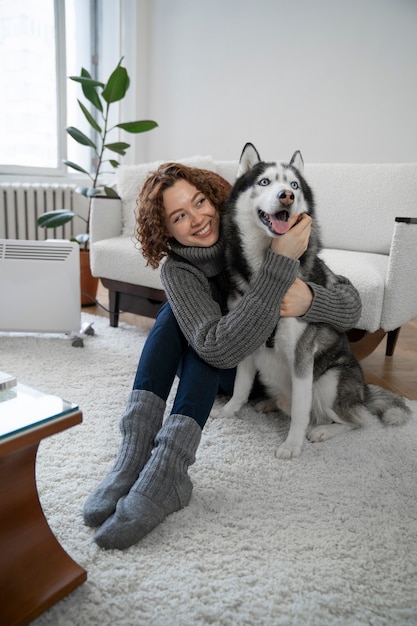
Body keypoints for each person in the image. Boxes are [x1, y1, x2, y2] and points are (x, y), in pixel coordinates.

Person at [84, 163, 361, 550]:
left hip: (256, 371)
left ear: (215, 199)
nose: (197, 219)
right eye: (180, 216)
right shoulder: (179, 270)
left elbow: (351, 307)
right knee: (181, 320)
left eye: (200, 202)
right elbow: (220, 347)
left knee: (195, 328)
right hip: (228, 359)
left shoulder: (253, 233)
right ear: (166, 230)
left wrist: (311, 298)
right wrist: (278, 266)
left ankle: (167, 471)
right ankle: (133, 457)